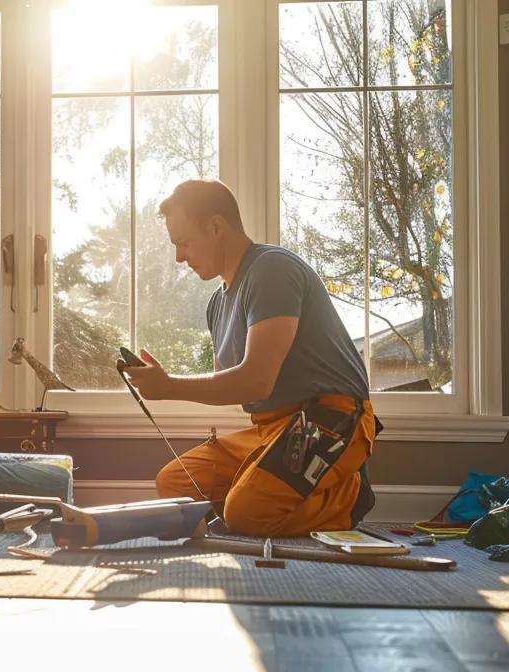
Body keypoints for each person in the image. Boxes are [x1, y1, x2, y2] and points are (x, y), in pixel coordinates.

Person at [120, 179, 379, 537]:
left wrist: (167, 387)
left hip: (330, 419)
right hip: (270, 429)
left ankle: (350, 496)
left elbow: (257, 380)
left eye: (183, 243)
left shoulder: (271, 269)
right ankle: (273, 493)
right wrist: (163, 379)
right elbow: (235, 387)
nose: (179, 257)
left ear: (216, 227)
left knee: (247, 513)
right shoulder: (217, 303)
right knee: (176, 483)